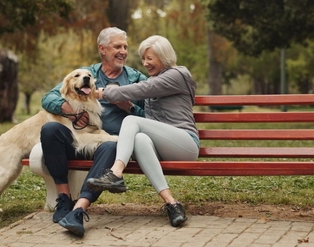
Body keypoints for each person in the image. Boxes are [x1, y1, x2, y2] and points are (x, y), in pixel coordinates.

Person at [40, 27, 147, 236]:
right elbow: (48, 98)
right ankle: (63, 199)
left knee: (110, 145)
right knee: (50, 129)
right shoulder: (86, 74)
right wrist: (67, 110)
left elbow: (153, 117)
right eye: (117, 46)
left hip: (110, 146)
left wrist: (130, 108)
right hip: (80, 139)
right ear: (103, 49)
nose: (123, 51)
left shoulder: (136, 79)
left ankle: (78, 210)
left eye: (125, 47)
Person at [86, 35, 200, 228]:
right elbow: (151, 120)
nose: (145, 63)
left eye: (150, 58)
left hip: (185, 143)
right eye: (143, 58)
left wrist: (101, 93)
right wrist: (130, 108)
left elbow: (142, 89)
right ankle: (172, 203)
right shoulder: (156, 79)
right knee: (139, 138)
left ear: (164, 57)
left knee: (131, 122)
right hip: (165, 144)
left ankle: (115, 172)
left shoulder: (177, 75)